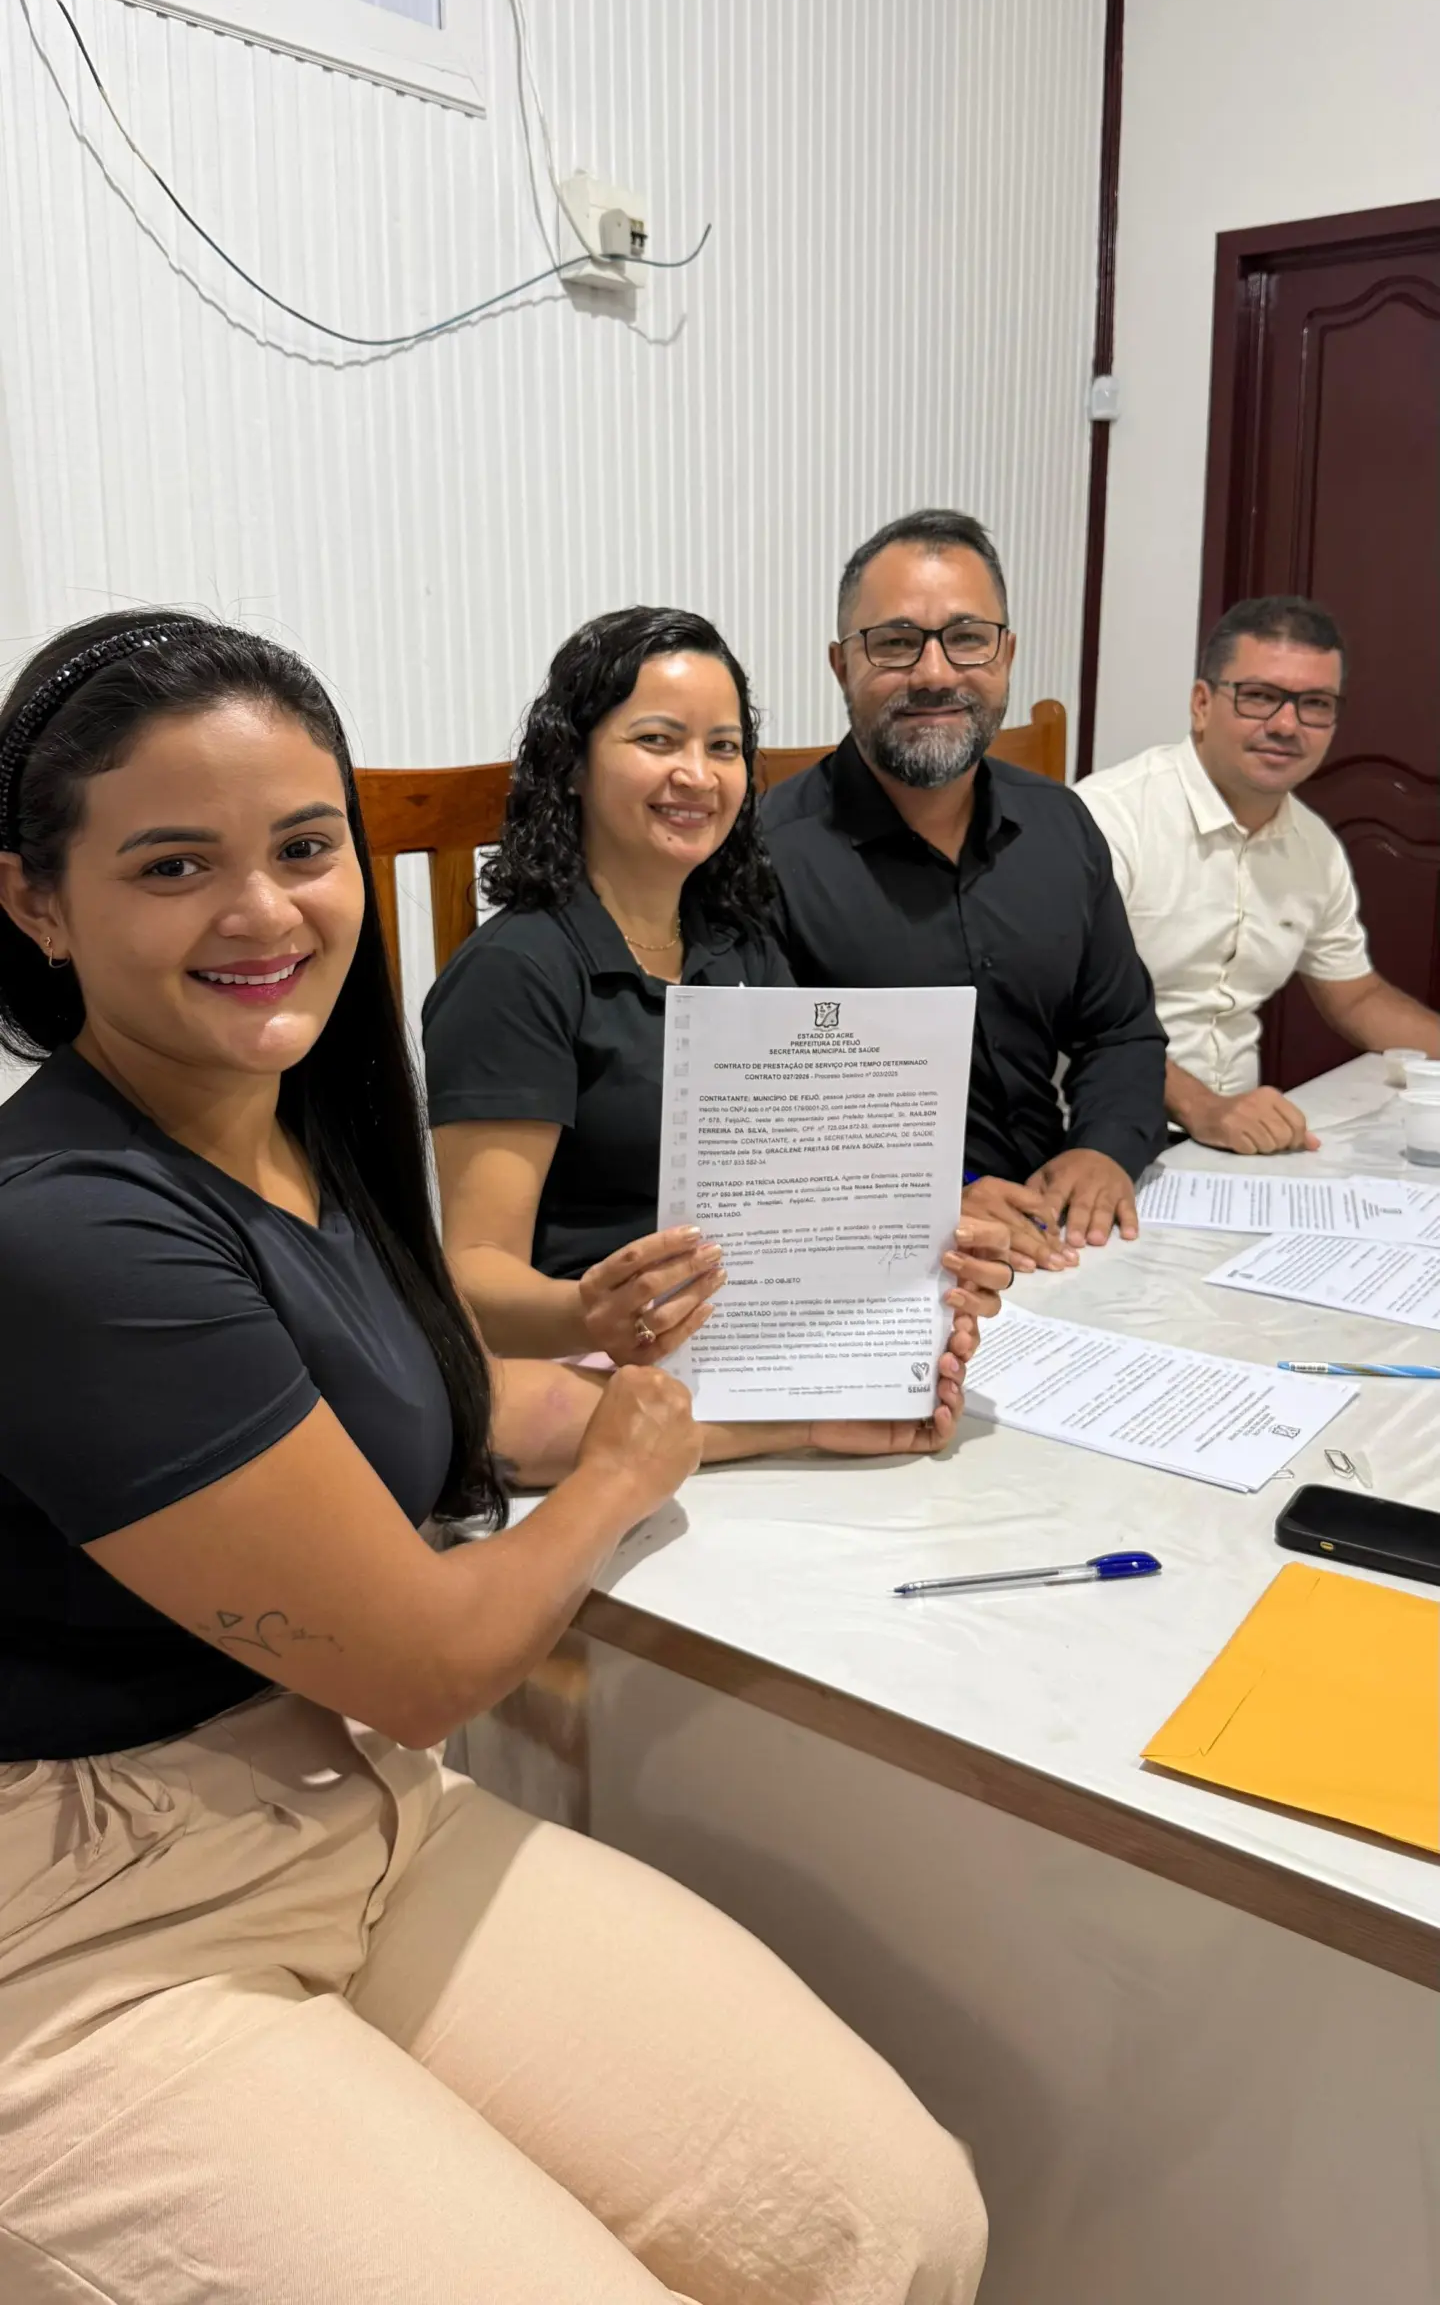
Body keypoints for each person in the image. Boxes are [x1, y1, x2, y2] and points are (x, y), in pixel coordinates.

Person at [0, 610, 989, 2305]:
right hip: (91, 1924)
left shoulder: (303, 1126)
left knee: (896, 2224)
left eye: (304, 848)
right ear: (35, 902)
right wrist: (618, 1480)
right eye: (173, 866)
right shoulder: (70, 1229)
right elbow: (429, 1661)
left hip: (350, 1802)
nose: (265, 913)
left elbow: (460, 1413)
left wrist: (783, 1415)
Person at [425, 604, 1011, 1391]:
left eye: (724, 747)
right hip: (585, 1374)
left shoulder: (741, 948)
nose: (698, 776)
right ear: (572, 763)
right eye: (657, 740)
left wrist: (935, 1238)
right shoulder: (515, 973)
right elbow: (474, 1276)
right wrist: (596, 1314)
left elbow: (813, 1182)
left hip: (750, 1339)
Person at [760, 511, 1168, 1262]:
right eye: (895, 643)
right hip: (875, 1256)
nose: (935, 674)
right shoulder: (765, 860)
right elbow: (758, 1113)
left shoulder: (1061, 825)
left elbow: (1119, 1031)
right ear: (841, 665)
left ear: (1006, 654)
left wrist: (1104, 1148)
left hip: (1061, 1235)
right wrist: (937, 1197)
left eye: (968, 637)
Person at [1077, 597, 1440, 1155]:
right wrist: (1204, 1108)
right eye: (1260, 697)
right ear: (1202, 704)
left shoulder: (1314, 848)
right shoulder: (1107, 820)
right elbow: (1067, 1007)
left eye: (1314, 704)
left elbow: (1358, 997)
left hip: (1236, 1143)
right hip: (1094, 1133)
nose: (1286, 725)